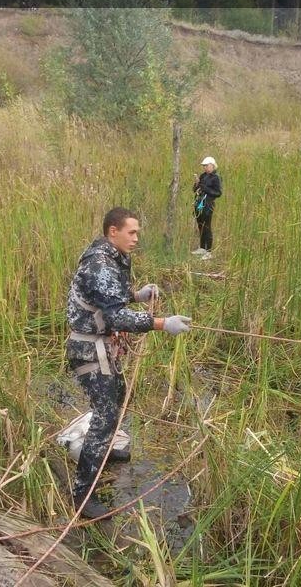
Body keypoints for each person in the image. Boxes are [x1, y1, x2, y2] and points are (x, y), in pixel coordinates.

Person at [66, 207, 192, 519]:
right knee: (106, 414)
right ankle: (83, 495)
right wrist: (162, 323)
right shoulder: (99, 264)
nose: (136, 238)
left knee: (117, 398)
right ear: (113, 232)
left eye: (137, 232)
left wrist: (137, 294)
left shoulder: (113, 256)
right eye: (131, 232)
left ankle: (104, 450)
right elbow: (115, 315)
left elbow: (111, 298)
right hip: (89, 348)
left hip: (101, 344)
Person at [192, 156, 222, 260]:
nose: (205, 168)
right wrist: (196, 184)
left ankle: (209, 251)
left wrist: (206, 188)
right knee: (200, 225)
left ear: (212, 165)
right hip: (199, 203)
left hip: (208, 205)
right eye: (203, 166)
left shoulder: (216, 177)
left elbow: (218, 193)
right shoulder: (203, 175)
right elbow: (195, 189)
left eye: (206, 165)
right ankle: (202, 248)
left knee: (207, 227)